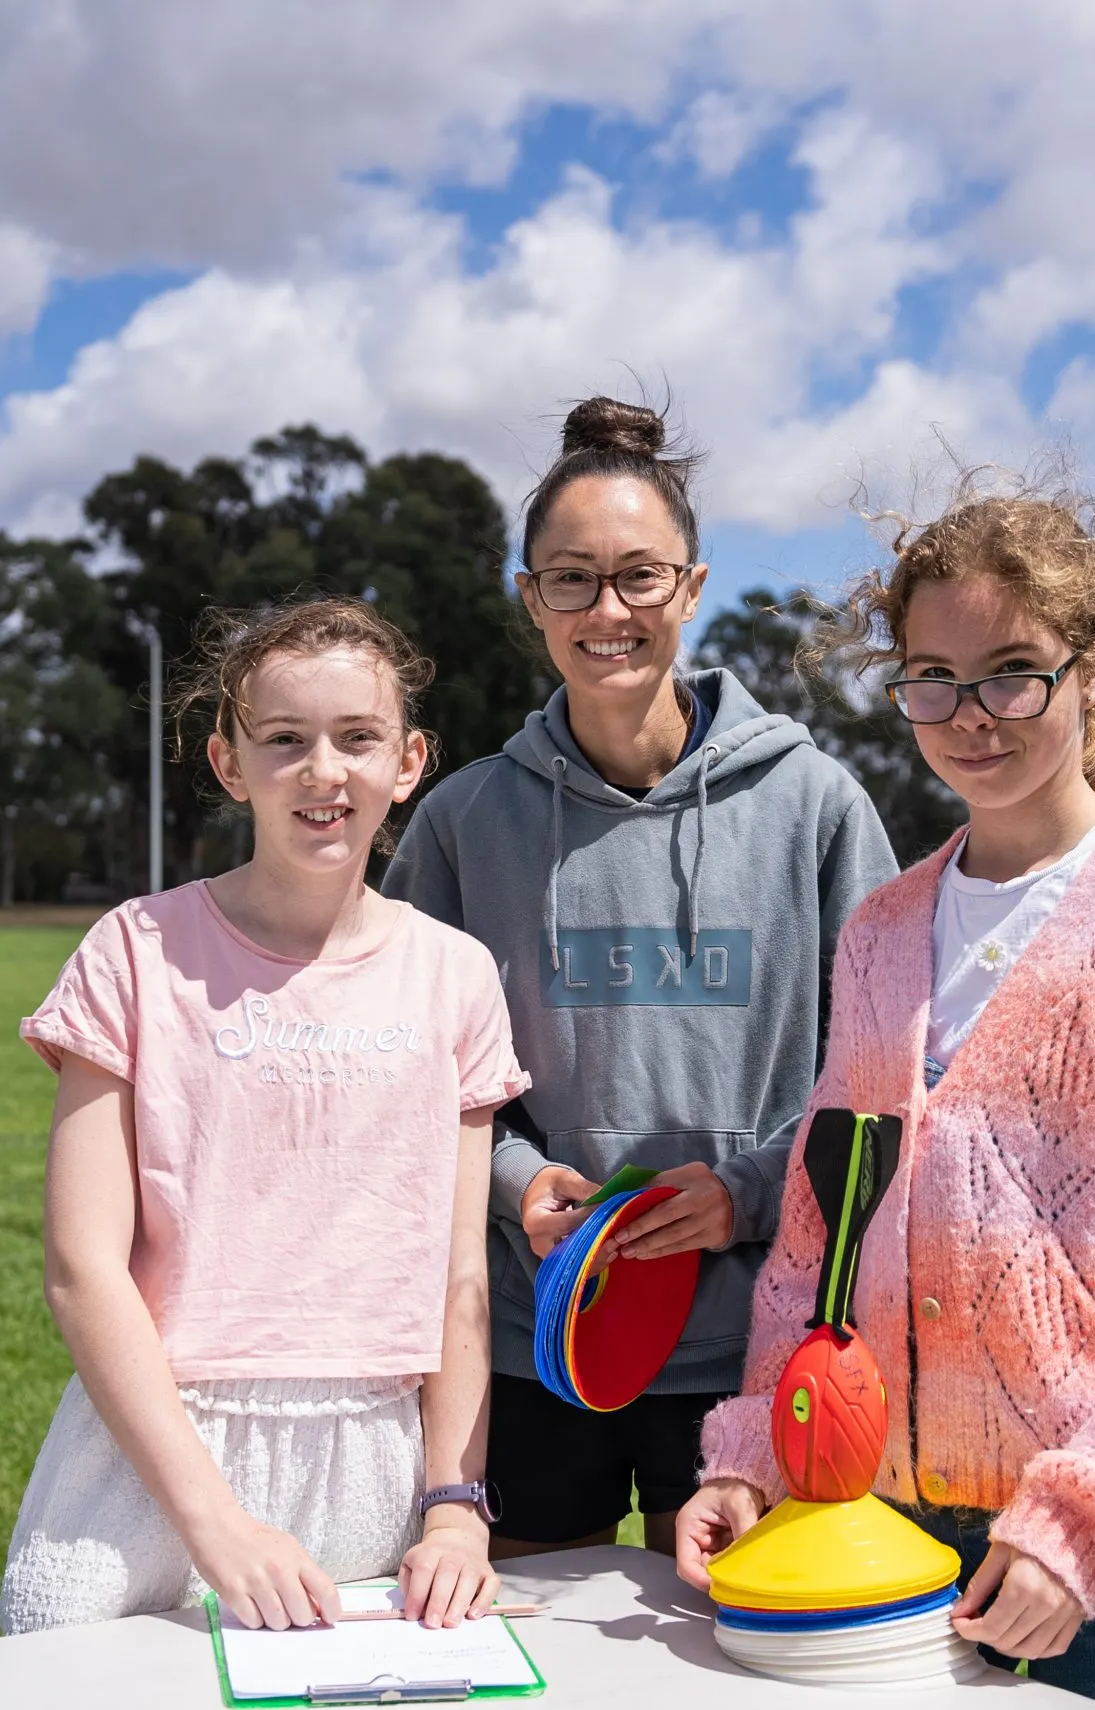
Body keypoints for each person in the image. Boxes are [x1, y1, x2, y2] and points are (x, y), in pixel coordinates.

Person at [673, 473, 1095, 1710]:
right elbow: (820, 1235)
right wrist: (760, 1455)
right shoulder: (879, 929)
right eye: (932, 677)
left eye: (1011, 670)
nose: (969, 715)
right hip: (886, 1541)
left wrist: (1083, 1521)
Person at [382, 397, 898, 1560]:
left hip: (749, 1355)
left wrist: (748, 1192)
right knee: (511, 1661)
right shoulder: (465, 822)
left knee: (712, 1668)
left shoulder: (813, 806)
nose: (605, 612)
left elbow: (878, 1074)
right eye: (570, 580)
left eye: (638, 578)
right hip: (530, 1338)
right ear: (529, 597)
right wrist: (514, 1181)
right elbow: (410, 1070)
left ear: (693, 585)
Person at [0, 599, 530, 1635]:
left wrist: (456, 1508)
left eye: (357, 738)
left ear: (410, 760)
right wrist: (217, 1526)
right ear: (229, 763)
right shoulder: (133, 951)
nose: (322, 771)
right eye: (283, 740)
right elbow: (81, 1266)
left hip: (368, 1464)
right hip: (148, 1463)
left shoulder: (455, 976)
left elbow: (461, 1276)